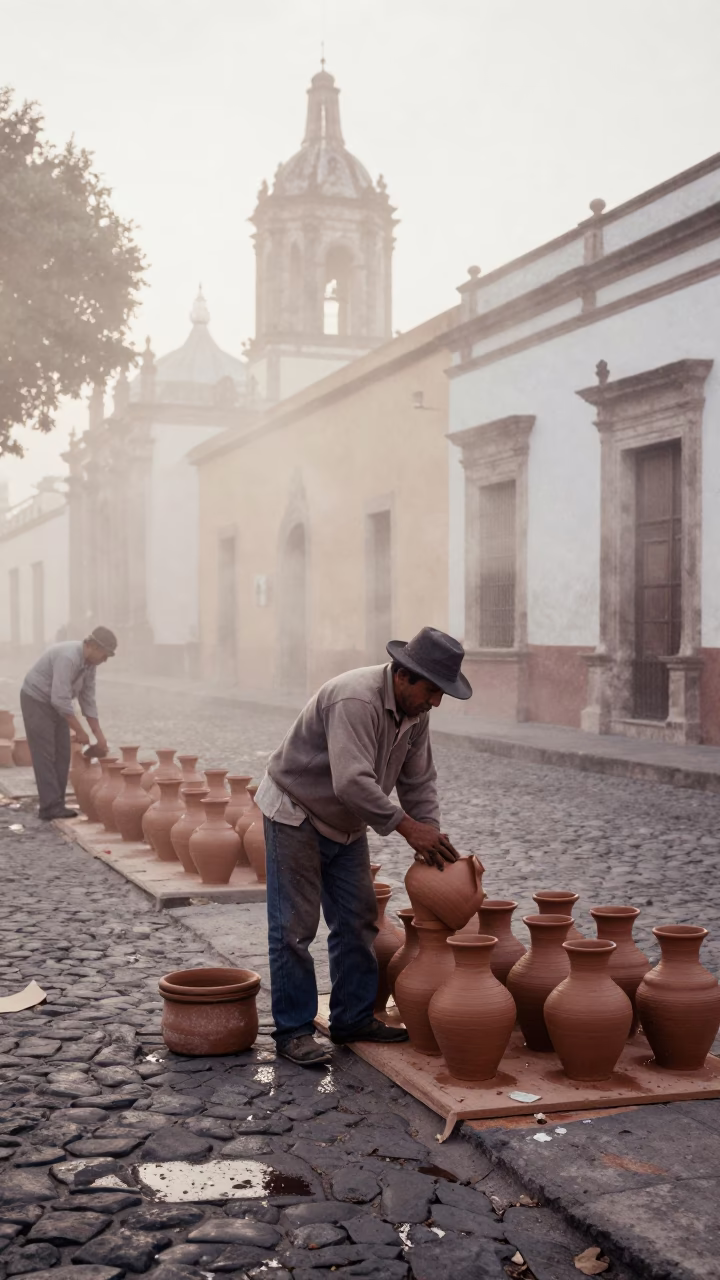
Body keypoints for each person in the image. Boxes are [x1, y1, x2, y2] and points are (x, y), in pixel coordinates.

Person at [256, 626, 472, 1067]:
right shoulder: (355, 699)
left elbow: (418, 779)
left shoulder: (416, 714)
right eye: (432, 690)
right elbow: (351, 781)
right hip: (296, 811)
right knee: (294, 928)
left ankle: (351, 1018)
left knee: (358, 921)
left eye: (442, 693)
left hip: (347, 821)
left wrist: (428, 831)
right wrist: (408, 828)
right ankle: (293, 1031)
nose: (436, 701)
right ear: (404, 675)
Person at [20, 626, 117, 821]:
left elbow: (87, 699)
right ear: (93, 647)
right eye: (105, 656)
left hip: (56, 703)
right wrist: (80, 731)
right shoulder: (68, 657)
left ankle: (57, 803)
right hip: (36, 699)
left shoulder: (89, 665)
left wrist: (100, 737)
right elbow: (60, 699)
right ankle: (49, 807)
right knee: (45, 752)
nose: (105, 660)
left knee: (63, 752)